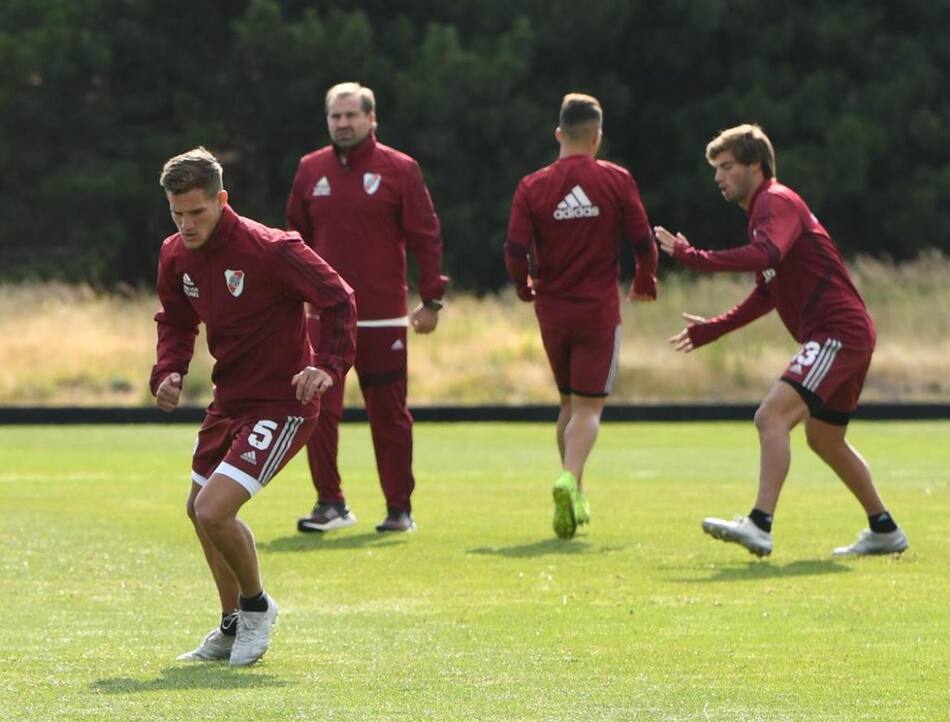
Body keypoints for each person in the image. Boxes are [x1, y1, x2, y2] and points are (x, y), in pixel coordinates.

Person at [655, 123, 908, 557]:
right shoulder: (764, 212)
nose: (718, 177)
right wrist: (711, 328)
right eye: (716, 168)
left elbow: (766, 255)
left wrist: (694, 258)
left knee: (770, 417)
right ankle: (884, 529)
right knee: (824, 438)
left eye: (727, 166)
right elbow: (767, 291)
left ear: (755, 165)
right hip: (844, 334)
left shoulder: (775, 201)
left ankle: (759, 524)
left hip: (838, 332)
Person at [151, 147, 356, 664]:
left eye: (197, 212)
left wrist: (327, 366)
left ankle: (257, 608)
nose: (187, 224)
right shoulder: (175, 253)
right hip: (229, 402)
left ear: (222, 199)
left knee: (214, 510)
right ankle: (229, 626)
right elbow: (175, 320)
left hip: (282, 403)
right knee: (198, 515)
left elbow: (339, 298)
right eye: (177, 213)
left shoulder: (271, 248)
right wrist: (169, 370)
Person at [286, 82, 447, 534]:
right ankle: (330, 503)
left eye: (351, 115)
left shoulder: (400, 169)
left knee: (390, 416)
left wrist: (432, 298)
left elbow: (426, 237)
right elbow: (292, 242)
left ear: (371, 119)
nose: (343, 123)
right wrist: (291, 301)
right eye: (335, 116)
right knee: (315, 409)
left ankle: (399, 509)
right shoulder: (309, 169)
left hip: (381, 317)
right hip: (323, 318)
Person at [505, 93, 658, 539]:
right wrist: (645, 280)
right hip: (597, 310)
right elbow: (643, 241)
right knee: (589, 408)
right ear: (597, 137)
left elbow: (515, 251)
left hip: (552, 311)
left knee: (569, 404)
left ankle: (576, 494)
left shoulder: (532, 186)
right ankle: (570, 479)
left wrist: (523, 286)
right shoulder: (615, 179)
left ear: (559, 135)